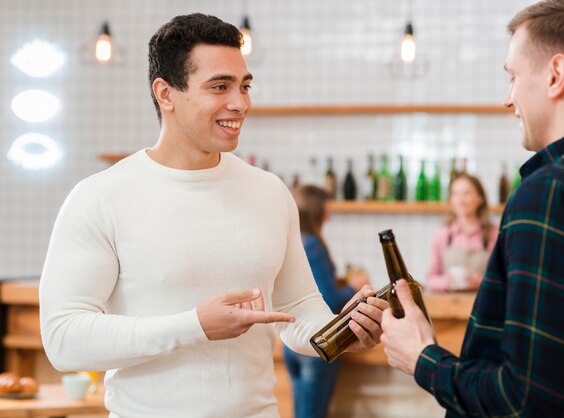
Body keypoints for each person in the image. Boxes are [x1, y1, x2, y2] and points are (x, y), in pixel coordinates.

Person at [38, 14, 387, 418]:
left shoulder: (270, 192)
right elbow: (64, 339)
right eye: (219, 86)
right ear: (166, 94)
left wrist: (342, 334)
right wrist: (195, 325)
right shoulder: (100, 197)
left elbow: (297, 309)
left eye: (245, 86)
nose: (240, 103)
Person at [381, 0, 564, 417]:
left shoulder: (551, 193)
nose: (507, 99)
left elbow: (529, 401)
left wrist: (421, 357)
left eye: (512, 77)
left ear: (556, 75)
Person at [283, 185, 369, 418]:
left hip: (291, 341)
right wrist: (353, 287)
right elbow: (329, 298)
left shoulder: (294, 241)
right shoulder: (312, 244)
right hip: (318, 339)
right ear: (316, 210)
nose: (329, 214)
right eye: (326, 208)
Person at [425, 174, 498, 292]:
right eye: (455, 194)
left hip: (483, 306)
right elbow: (430, 279)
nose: (460, 200)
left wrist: (480, 281)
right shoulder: (443, 234)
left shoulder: (493, 235)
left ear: (480, 198)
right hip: (448, 307)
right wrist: (445, 282)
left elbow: (502, 278)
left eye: (467, 193)